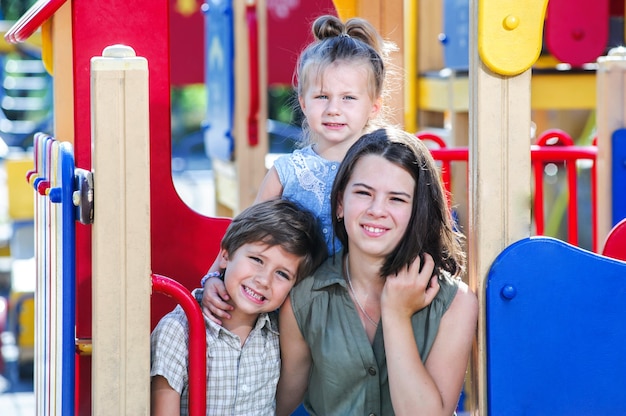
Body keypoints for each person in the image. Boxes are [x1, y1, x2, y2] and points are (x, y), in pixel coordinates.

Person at [200, 14, 397, 321]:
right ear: (303, 103)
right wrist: (213, 277)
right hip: (297, 314)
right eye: (322, 96)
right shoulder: (288, 170)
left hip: (365, 310)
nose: (333, 109)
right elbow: (244, 233)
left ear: (373, 106)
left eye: (348, 98)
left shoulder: (385, 167)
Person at [276, 127, 478, 416]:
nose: (376, 210)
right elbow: (277, 405)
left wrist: (396, 314)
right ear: (340, 203)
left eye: (396, 199)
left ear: (417, 211)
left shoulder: (455, 303)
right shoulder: (303, 298)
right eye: (363, 192)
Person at [150, 199, 327, 416]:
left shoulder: (278, 334)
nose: (264, 280)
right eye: (257, 260)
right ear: (225, 255)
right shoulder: (178, 330)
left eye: (282, 274)